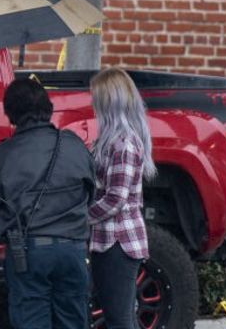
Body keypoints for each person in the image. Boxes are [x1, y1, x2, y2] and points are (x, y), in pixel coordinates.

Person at [0, 78, 95, 329]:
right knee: (74, 321)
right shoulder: (74, 145)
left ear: (10, 113)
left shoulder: (3, 153)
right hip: (73, 250)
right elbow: (91, 194)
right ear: (48, 107)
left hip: (28, 252)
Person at [87, 68, 155, 329]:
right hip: (111, 240)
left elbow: (116, 198)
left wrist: (83, 217)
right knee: (121, 316)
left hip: (119, 241)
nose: (93, 104)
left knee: (120, 319)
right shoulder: (113, 141)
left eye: (97, 98)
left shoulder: (122, 145)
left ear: (108, 102)